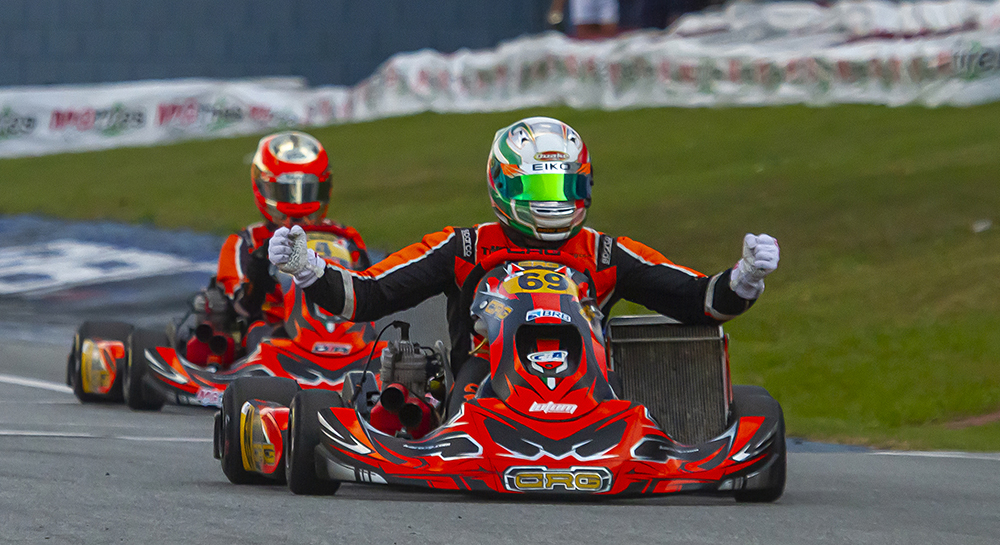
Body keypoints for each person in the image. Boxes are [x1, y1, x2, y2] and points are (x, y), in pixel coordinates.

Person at [268, 117, 780, 415]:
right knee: (422, 402)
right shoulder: (466, 247)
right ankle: (431, 421)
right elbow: (370, 295)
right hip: (482, 387)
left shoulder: (603, 252)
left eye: (563, 188)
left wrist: (744, 279)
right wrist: (308, 268)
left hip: (592, 396)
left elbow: (698, 300)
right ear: (505, 185)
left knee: (743, 415)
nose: (553, 203)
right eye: (538, 189)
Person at [179, 130, 370, 363]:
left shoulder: (345, 238)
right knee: (258, 334)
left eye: (307, 191)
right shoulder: (247, 243)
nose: (298, 205)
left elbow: (370, 293)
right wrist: (259, 268)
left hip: (350, 334)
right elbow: (243, 307)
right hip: (279, 334)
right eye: (288, 191)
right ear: (264, 187)